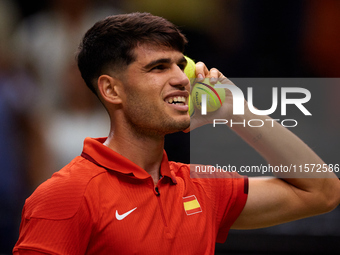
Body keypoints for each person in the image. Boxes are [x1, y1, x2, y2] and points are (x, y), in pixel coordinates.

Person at [13, 12, 340, 254]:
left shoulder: (204, 188)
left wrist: (237, 111)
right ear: (112, 90)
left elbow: (322, 191)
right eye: (157, 67)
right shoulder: (63, 196)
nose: (183, 79)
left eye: (179, 65)